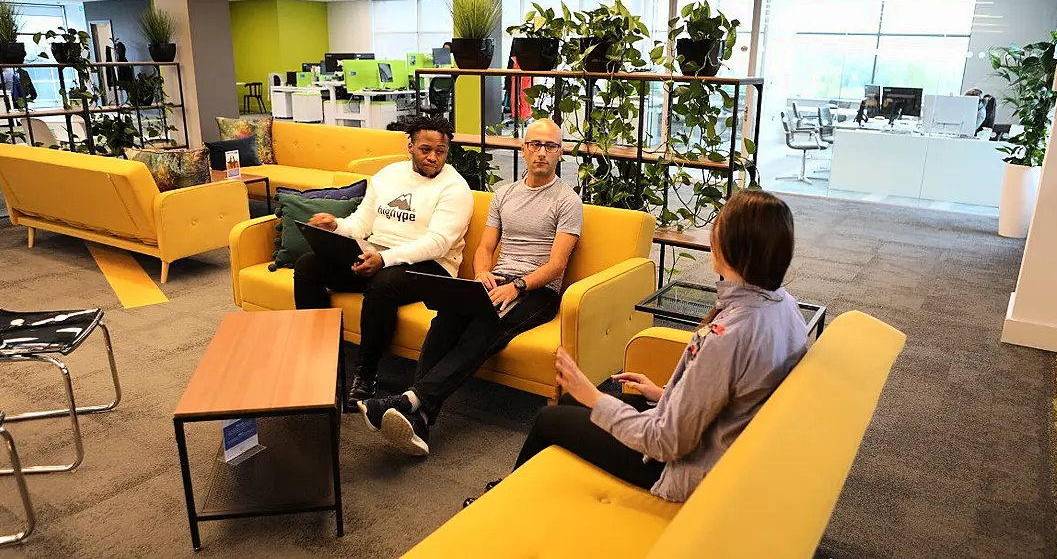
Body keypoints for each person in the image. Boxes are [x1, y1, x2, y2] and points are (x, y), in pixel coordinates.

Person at [467, 190, 808, 505]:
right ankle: (532, 492)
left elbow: (665, 442)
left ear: (730, 247)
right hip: (704, 441)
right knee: (573, 400)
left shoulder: (728, 334)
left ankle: (506, 501)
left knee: (549, 417)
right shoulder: (784, 306)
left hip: (674, 467)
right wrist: (663, 394)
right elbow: (733, 395)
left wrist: (594, 396)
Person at [360, 118, 583, 457]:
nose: (542, 152)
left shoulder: (567, 201)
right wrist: (481, 273)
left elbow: (556, 265)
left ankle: (409, 400)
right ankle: (419, 420)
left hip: (538, 293)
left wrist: (518, 286)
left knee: (484, 327)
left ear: (560, 153)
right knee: (447, 316)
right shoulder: (505, 194)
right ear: (523, 149)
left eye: (550, 146)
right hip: (498, 281)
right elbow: (484, 248)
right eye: (535, 144)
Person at [294, 115, 474, 406]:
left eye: (440, 151)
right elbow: (361, 225)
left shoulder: (455, 187)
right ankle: (319, 358)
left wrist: (384, 258)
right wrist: (336, 226)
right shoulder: (388, 175)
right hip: (379, 253)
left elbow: (438, 243)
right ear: (410, 146)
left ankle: (366, 373)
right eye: (425, 149)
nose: (433, 157)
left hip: (432, 266)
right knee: (307, 266)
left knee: (383, 284)